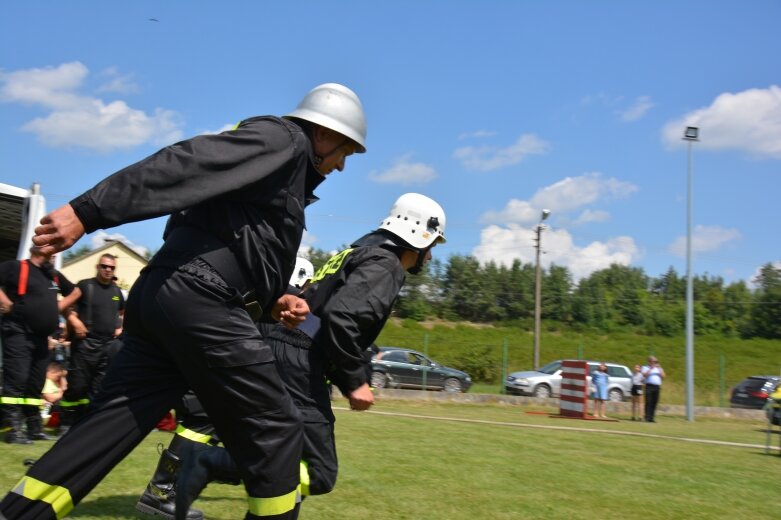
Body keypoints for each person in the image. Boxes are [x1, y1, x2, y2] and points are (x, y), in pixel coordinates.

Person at [0, 82, 367, 520]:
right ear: (323, 135)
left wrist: (273, 301)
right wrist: (89, 211)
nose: (342, 165)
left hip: (167, 298)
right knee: (276, 429)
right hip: (201, 301)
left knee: (108, 426)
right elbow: (187, 163)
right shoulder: (283, 139)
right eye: (345, 150)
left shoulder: (275, 173)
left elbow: (231, 240)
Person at [173, 193, 446, 519]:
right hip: (298, 359)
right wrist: (355, 381)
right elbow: (340, 319)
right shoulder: (385, 265)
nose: (429, 257)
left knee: (283, 451)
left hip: (283, 345)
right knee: (317, 471)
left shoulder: (358, 253)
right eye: (433, 246)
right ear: (420, 235)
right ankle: (207, 462)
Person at [136, 258, 317, 520]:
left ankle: (164, 490)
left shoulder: (265, 291)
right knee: (201, 421)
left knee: (204, 423)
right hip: (220, 367)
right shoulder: (283, 301)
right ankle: (161, 492)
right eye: (307, 285)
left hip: (213, 362)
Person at [0, 249, 79, 445]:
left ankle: (34, 428)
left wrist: (56, 309)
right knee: (16, 379)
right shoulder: (16, 267)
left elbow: (76, 292)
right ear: (38, 248)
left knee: (35, 383)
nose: (55, 255)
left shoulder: (52, 275)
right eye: (52, 250)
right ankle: (10, 429)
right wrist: (6, 303)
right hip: (18, 332)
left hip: (42, 338)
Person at [58, 253, 125, 435]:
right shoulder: (85, 286)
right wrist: (74, 321)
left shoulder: (117, 292)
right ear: (97, 266)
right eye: (104, 266)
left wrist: (119, 328)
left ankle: (86, 426)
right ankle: (65, 423)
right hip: (85, 344)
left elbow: (121, 314)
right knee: (77, 386)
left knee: (97, 389)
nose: (108, 270)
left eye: (111, 267)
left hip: (107, 347)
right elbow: (63, 305)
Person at [642, 355, 665, 422]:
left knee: (654, 402)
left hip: (657, 387)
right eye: (654, 361)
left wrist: (660, 369)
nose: (655, 362)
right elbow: (644, 375)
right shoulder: (645, 367)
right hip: (649, 386)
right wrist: (651, 368)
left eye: (656, 361)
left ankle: (652, 418)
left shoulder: (659, 368)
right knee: (648, 401)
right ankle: (647, 417)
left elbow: (663, 376)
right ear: (649, 361)